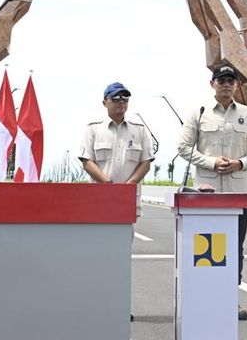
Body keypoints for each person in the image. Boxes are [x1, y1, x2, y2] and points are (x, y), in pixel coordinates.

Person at [176, 64, 247, 321]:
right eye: (221, 80)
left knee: (235, 248)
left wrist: (241, 163)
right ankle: (202, 298)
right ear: (212, 83)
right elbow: (183, 147)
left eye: (231, 80)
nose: (226, 84)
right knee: (204, 245)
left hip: (238, 193)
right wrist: (211, 162)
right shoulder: (199, 113)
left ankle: (230, 299)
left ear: (236, 85)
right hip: (206, 193)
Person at [78, 81, 155, 322]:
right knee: (99, 256)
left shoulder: (139, 130)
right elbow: (87, 160)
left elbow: (146, 161)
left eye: (125, 98)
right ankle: (97, 304)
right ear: (105, 102)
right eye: (116, 98)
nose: (121, 101)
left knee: (122, 257)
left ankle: (121, 305)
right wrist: (108, 187)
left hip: (127, 204)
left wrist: (129, 186)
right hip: (100, 203)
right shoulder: (93, 129)